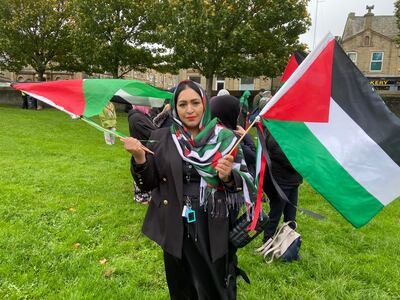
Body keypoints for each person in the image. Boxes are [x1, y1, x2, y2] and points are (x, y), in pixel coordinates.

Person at [122, 80, 255, 299]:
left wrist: (229, 177)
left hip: (212, 223)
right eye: (183, 104)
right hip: (175, 222)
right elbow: (148, 183)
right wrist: (139, 157)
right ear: (175, 107)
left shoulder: (225, 138)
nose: (189, 110)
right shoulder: (163, 138)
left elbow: (245, 184)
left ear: (205, 104)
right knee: (181, 286)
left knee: (215, 284)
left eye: (195, 102)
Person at [261, 129, 303, 245]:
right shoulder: (275, 129)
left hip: (293, 180)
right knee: (275, 214)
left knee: (291, 217)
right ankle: (267, 242)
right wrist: (300, 163)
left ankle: (289, 244)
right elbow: (278, 152)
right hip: (281, 182)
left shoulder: (292, 129)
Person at [210, 94, 256, 177]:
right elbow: (254, 157)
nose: (238, 116)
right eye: (237, 113)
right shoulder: (230, 137)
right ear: (229, 113)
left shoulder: (210, 133)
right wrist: (246, 136)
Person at [128, 105, 156, 204]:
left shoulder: (141, 115)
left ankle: (144, 195)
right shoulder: (137, 117)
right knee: (142, 171)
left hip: (144, 149)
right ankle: (142, 197)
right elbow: (151, 134)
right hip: (142, 150)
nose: (150, 106)